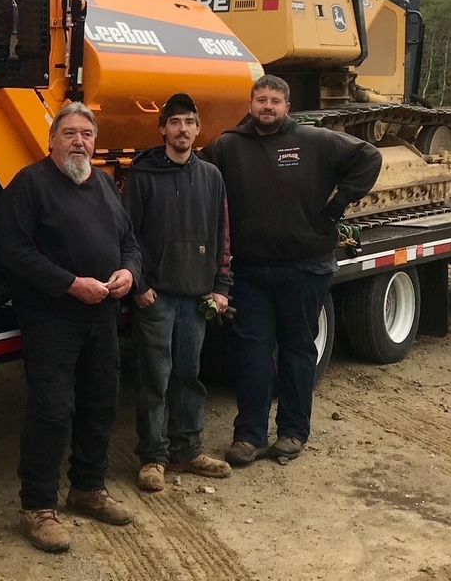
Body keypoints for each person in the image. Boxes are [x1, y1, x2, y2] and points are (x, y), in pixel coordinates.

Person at [206, 75, 381, 466]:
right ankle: (248, 436)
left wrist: (337, 206)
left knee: (297, 351)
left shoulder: (314, 141)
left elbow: (370, 157)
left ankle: (292, 432)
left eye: (275, 101)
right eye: (261, 100)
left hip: (305, 268)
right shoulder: (228, 146)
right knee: (252, 353)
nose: (267, 107)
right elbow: (198, 178)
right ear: (250, 104)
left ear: (287, 106)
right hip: (249, 272)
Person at [0, 101, 142, 553]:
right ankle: (38, 507)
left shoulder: (104, 186)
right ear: (52, 140)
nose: (80, 141)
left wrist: (129, 274)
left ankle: (88, 489)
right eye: (70, 133)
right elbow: (15, 252)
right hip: (52, 318)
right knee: (52, 410)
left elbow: (131, 244)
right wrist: (69, 284)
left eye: (87, 134)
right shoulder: (30, 185)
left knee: (101, 403)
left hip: (101, 315)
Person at [122, 93, 234, 492]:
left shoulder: (211, 177)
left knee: (189, 375)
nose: (182, 129)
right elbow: (127, 236)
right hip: (157, 298)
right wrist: (140, 286)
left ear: (198, 128)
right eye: (175, 122)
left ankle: (187, 451)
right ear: (162, 129)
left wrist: (221, 287)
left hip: (197, 296)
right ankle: (153, 457)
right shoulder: (143, 175)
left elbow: (221, 235)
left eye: (189, 122)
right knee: (155, 377)